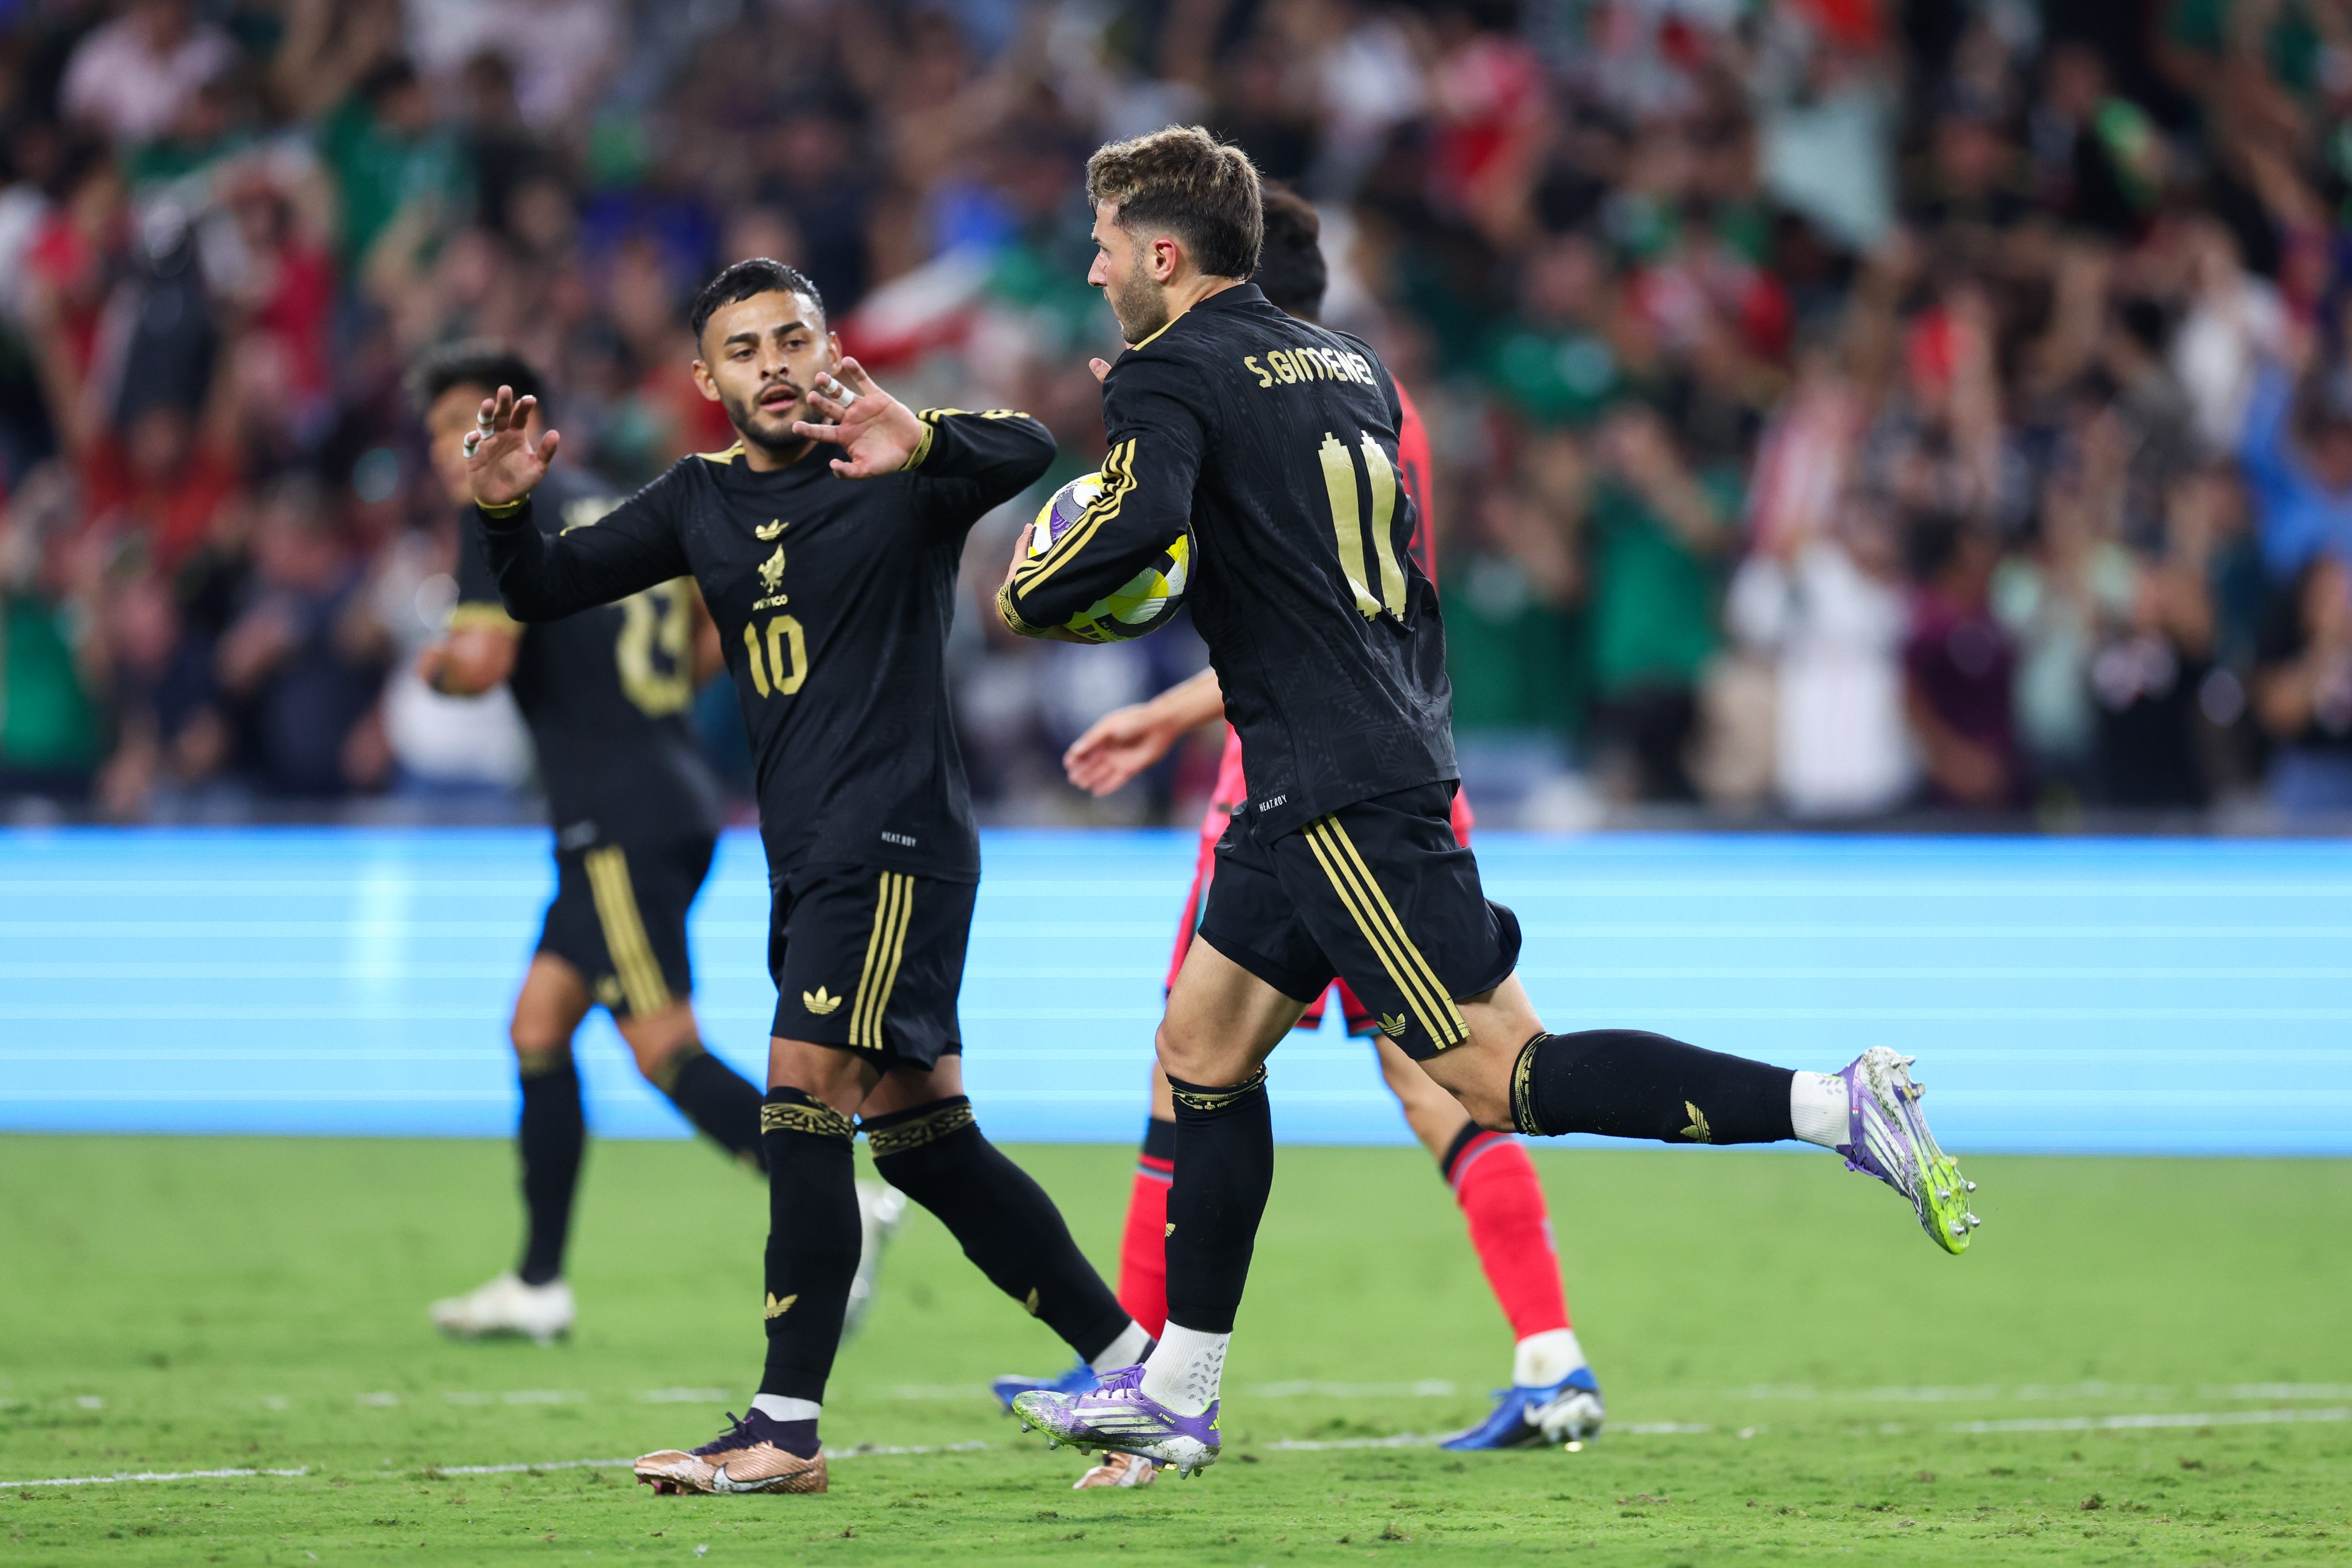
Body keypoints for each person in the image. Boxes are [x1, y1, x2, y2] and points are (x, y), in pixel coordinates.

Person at [999, 127, 1978, 1478]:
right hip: (1340, 761)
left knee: (1495, 1074)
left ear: (1164, 255)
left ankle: (1836, 1104)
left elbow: (1139, 525)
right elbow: (1369, 581)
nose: (1092, 266)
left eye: (1105, 243)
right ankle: (1177, 1388)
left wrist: (1027, 585)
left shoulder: (1172, 370)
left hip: (1333, 789)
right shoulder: (1352, 366)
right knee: (1201, 1048)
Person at [465, 260, 1158, 1496]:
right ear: (706, 379)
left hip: (894, 845)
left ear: (831, 348)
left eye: (793, 338)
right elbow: (545, 589)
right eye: (745, 349)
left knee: (800, 1094)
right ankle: (1136, 1381)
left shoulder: (894, 467)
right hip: (809, 858)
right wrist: (507, 512)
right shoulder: (698, 498)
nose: (774, 364)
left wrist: (916, 434)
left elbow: (1029, 445)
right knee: (927, 1146)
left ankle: (785, 1427)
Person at [992, 189, 1601, 1488]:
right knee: (1437, 1080)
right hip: (1400, 767)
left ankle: (1136, 1367)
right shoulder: (1381, 399)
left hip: (1286, 788)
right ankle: (1550, 1354)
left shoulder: (1237, 395)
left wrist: (1162, 688)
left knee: (1195, 1069)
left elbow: (1300, 609)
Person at [411, 343, 832, 1344]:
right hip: (666, 788)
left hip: (612, 813)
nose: (452, 447)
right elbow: (708, 634)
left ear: (518, 423)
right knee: (538, 1025)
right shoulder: (622, 506)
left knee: (661, 1044)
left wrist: (431, 665)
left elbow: (483, 660)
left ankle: (835, 1198)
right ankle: (539, 1281)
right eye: (440, 432)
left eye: (465, 424)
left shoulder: (500, 512)